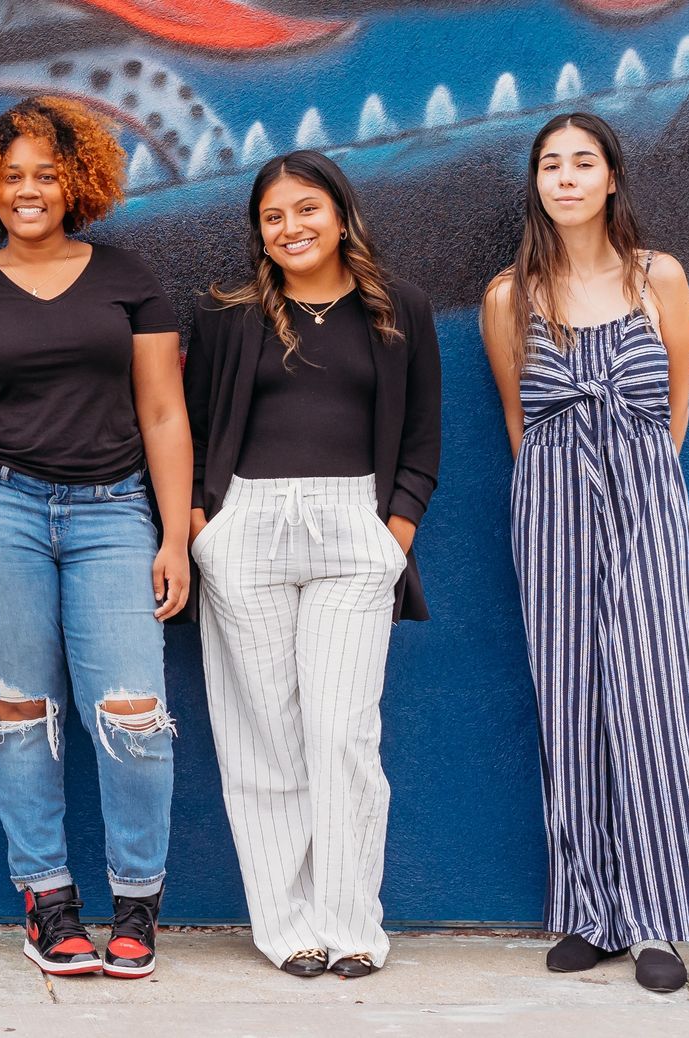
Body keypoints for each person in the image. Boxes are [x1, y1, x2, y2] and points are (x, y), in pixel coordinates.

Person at [0, 96, 193, 979]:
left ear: (79, 182)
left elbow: (162, 412)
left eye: (45, 174)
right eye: (12, 176)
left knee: (134, 715)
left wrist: (174, 537)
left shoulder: (129, 277)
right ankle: (50, 901)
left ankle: (137, 903)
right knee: (20, 714)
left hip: (114, 513)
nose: (28, 190)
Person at [185, 150, 440, 979]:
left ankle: (352, 925)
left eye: (305, 210)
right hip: (248, 528)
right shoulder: (227, 316)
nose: (291, 228)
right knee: (264, 738)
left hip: (353, 528)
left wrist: (392, 531)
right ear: (258, 232)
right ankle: (286, 925)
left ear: (340, 214)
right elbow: (191, 431)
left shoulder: (399, 310)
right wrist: (202, 525)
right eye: (273, 216)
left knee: (342, 734)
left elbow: (423, 436)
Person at [479, 112, 689, 994]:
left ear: (612, 178)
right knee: (568, 698)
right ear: (536, 183)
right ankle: (588, 908)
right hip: (550, 507)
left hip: (650, 500)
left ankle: (657, 919)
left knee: (654, 701)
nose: (566, 177)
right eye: (550, 164)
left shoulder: (662, 279)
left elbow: (674, 409)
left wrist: (638, 487)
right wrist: (561, 496)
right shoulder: (510, 296)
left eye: (584, 162)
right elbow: (518, 421)